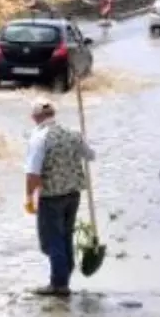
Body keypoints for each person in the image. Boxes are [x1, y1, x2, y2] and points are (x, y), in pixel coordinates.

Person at [24, 98, 96, 297]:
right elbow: (91, 156)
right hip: (73, 195)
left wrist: (30, 198)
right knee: (65, 235)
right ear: (53, 114)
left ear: (35, 117)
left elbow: (32, 174)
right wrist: (82, 140)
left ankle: (59, 283)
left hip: (51, 197)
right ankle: (63, 275)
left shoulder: (39, 138)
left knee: (51, 240)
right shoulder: (72, 134)